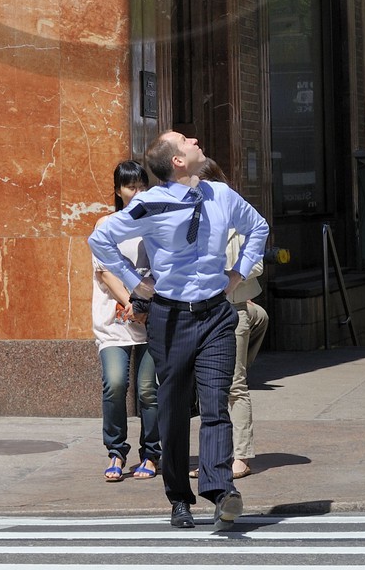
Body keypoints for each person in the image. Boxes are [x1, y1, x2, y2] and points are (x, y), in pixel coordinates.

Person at [89, 131, 268, 532]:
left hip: (216, 315)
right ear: (177, 161)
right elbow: (100, 239)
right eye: (186, 140)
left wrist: (238, 274)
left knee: (215, 403)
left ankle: (221, 491)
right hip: (170, 319)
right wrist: (135, 283)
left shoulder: (221, 195)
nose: (195, 139)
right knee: (172, 410)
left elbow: (258, 227)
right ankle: (179, 499)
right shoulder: (151, 203)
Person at [91, 159, 160, 482]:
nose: (138, 193)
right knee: (115, 384)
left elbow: (164, 268)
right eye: (131, 187)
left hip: (151, 319)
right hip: (114, 319)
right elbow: (105, 273)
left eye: (142, 186)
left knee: (148, 390)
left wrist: (145, 304)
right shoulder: (106, 224)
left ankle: (151, 453)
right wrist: (132, 302)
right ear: (118, 191)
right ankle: (116, 451)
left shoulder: (155, 225)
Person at [198, 159, 267, 479]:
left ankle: (241, 455)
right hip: (199, 312)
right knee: (207, 387)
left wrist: (228, 275)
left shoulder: (236, 219)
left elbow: (256, 263)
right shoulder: (190, 219)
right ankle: (214, 455)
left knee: (234, 385)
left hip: (232, 308)